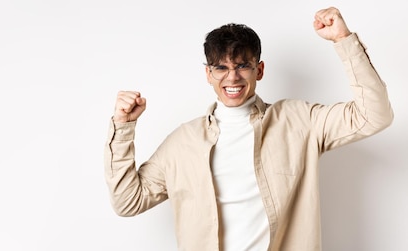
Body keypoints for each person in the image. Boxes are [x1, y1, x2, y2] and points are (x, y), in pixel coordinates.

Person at [103, 6, 393, 251]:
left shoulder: (299, 120)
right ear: (208, 73)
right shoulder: (183, 142)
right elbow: (128, 202)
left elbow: (375, 115)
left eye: (242, 65)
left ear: (260, 69)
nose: (233, 77)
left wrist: (343, 40)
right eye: (221, 68)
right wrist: (123, 127)